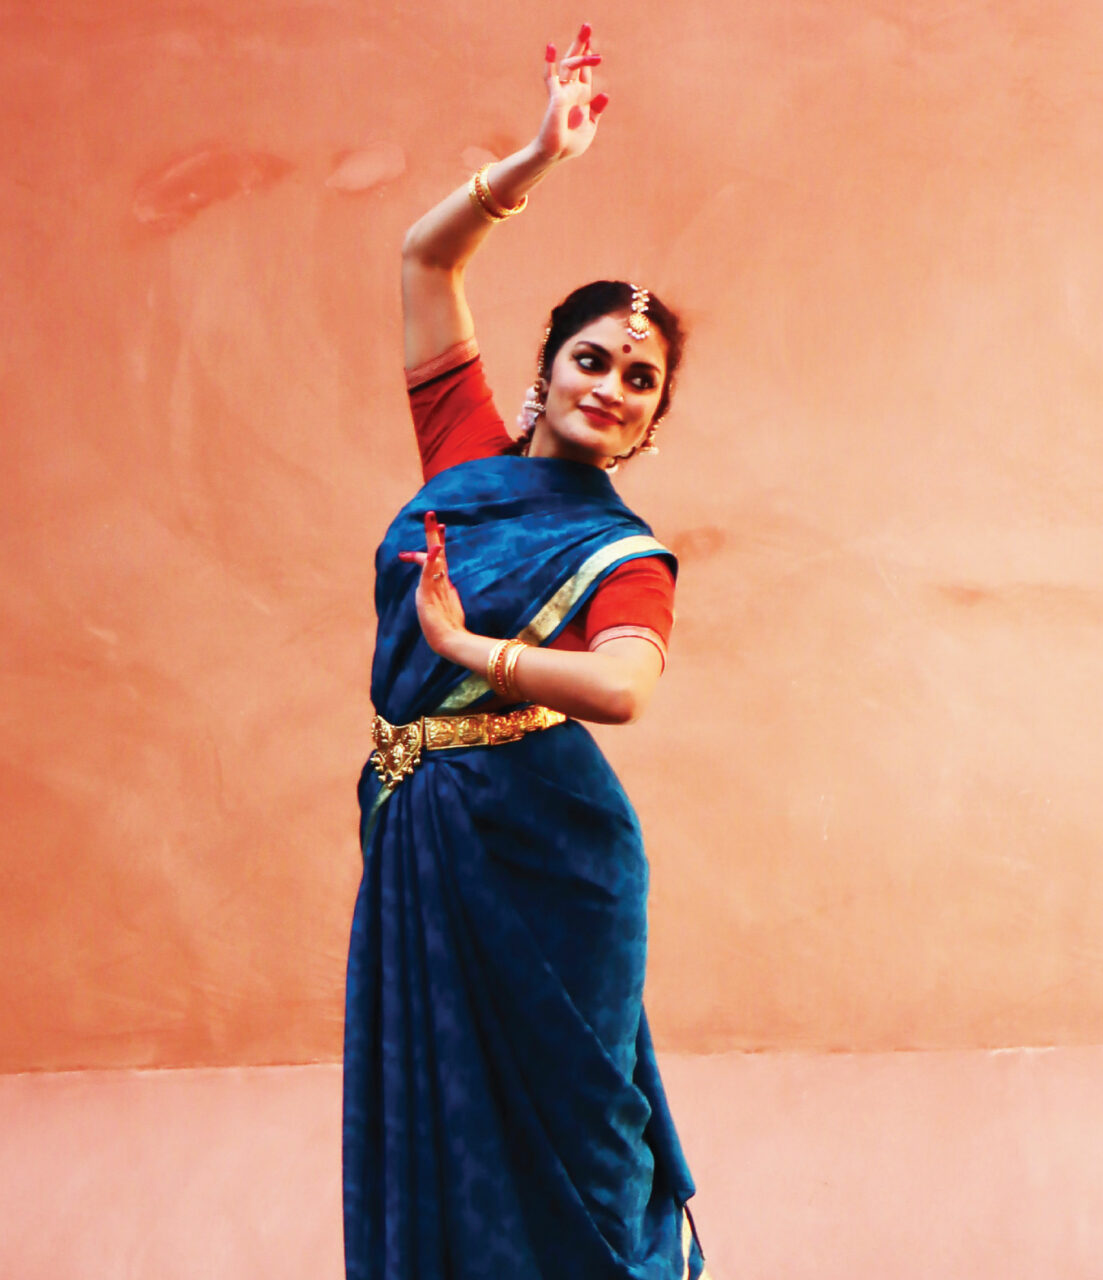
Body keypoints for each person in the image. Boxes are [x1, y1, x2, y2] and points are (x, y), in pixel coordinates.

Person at [343, 24, 709, 1280]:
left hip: (553, 851)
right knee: (436, 1116)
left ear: (651, 425)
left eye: (640, 379)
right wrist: (541, 156)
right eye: (592, 357)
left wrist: (469, 645)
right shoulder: (464, 463)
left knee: (580, 1136)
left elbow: (622, 687)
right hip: (422, 828)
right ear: (544, 374)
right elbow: (423, 255)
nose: (612, 383)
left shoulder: (628, 555)